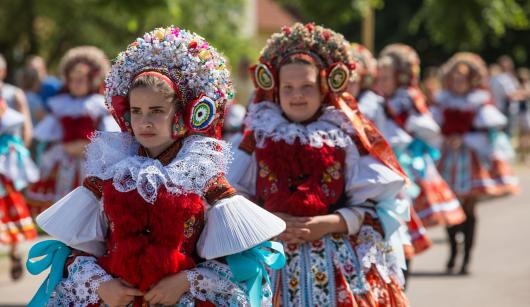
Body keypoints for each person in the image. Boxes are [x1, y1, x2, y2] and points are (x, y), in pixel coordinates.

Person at [27, 26, 286, 307]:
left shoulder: (202, 176)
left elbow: (238, 258)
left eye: (157, 111)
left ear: (180, 115)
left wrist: (186, 281)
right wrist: (103, 286)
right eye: (136, 111)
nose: (144, 122)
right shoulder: (111, 173)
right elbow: (76, 249)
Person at [228, 23, 409, 306]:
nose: (297, 95)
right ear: (275, 89)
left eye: (306, 87)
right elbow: (232, 196)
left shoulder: (345, 136)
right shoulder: (257, 136)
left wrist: (327, 223)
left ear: (325, 87)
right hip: (270, 259)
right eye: (288, 87)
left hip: (334, 258)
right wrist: (269, 222)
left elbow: (371, 207)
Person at [348, 43, 431, 284]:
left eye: (355, 77)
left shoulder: (372, 102)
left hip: (383, 170)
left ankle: (401, 279)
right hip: (362, 174)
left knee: (395, 228)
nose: (350, 83)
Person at [434, 52, 519, 274]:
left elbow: (489, 134)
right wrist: (446, 139)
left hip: (470, 161)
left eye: (461, 78)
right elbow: (433, 129)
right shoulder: (444, 101)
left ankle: (467, 258)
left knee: (469, 209)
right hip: (448, 161)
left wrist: (464, 138)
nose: (457, 83)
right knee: (450, 207)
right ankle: (454, 250)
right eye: (454, 79)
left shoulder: (479, 102)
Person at [377, 44, 465, 229]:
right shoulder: (380, 100)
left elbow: (429, 128)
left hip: (410, 159)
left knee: (410, 210)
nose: (381, 83)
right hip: (390, 160)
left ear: (399, 77)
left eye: (385, 78)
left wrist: (408, 129)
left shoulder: (407, 98)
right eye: (380, 78)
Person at [25, 46, 119, 216]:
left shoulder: (97, 104)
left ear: (92, 80)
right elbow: (50, 131)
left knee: (88, 198)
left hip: (89, 158)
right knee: (62, 197)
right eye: (72, 80)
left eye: (81, 80)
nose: (75, 84)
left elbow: (109, 132)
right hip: (64, 157)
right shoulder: (60, 104)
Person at [0, 98, 39, 280]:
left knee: (9, 209)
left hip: (5, 167)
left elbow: (24, 126)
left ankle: (14, 251)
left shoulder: (11, 93)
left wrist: (22, 148)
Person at [0, 53, 32, 146]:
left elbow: (27, 127)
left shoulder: (15, 94)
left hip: (10, 150)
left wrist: (22, 150)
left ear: (3, 72)